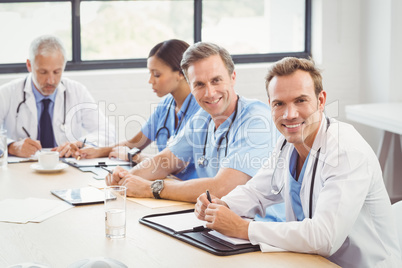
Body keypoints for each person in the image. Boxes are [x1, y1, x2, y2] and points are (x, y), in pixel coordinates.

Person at [194, 57, 402, 267]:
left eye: (300, 100)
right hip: (308, 261)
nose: (289, 114)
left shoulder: (345, 152)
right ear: (270, 106)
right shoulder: (287, 144)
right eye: (279, 104)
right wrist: (221, 205)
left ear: (321, 101)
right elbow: (256, 191)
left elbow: (324, 237)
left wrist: (242, 228)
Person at [106, 42, 277, 202]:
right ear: (190, 85)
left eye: (216, 80)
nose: (209, 93)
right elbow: (163, 162)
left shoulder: (257, 121)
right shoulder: (202, 119)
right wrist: (125, 177)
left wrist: (150, 188)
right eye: (199, 84)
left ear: (233, 77)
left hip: (258, 226)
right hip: (217, 220)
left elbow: (223, 188)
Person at [72, 39, 201, 180]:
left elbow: (174, 164)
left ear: (181, 73)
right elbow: (134, 143)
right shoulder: (165, 106)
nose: (150, 80)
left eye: (157, 74)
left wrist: (133, 156)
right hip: (166, 182)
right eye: (150, 73)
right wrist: (97, 151)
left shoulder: (201, 109)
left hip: (189, 189)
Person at [0, 35, 114, 158]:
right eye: (43, 72)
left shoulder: (77, 91)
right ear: (29, 65)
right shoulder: (6, 93)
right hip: (22, 168)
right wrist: (10, 146)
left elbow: (107, 132)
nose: (51, 80)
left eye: (57, 72)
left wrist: (81, 143)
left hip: (66, 167)